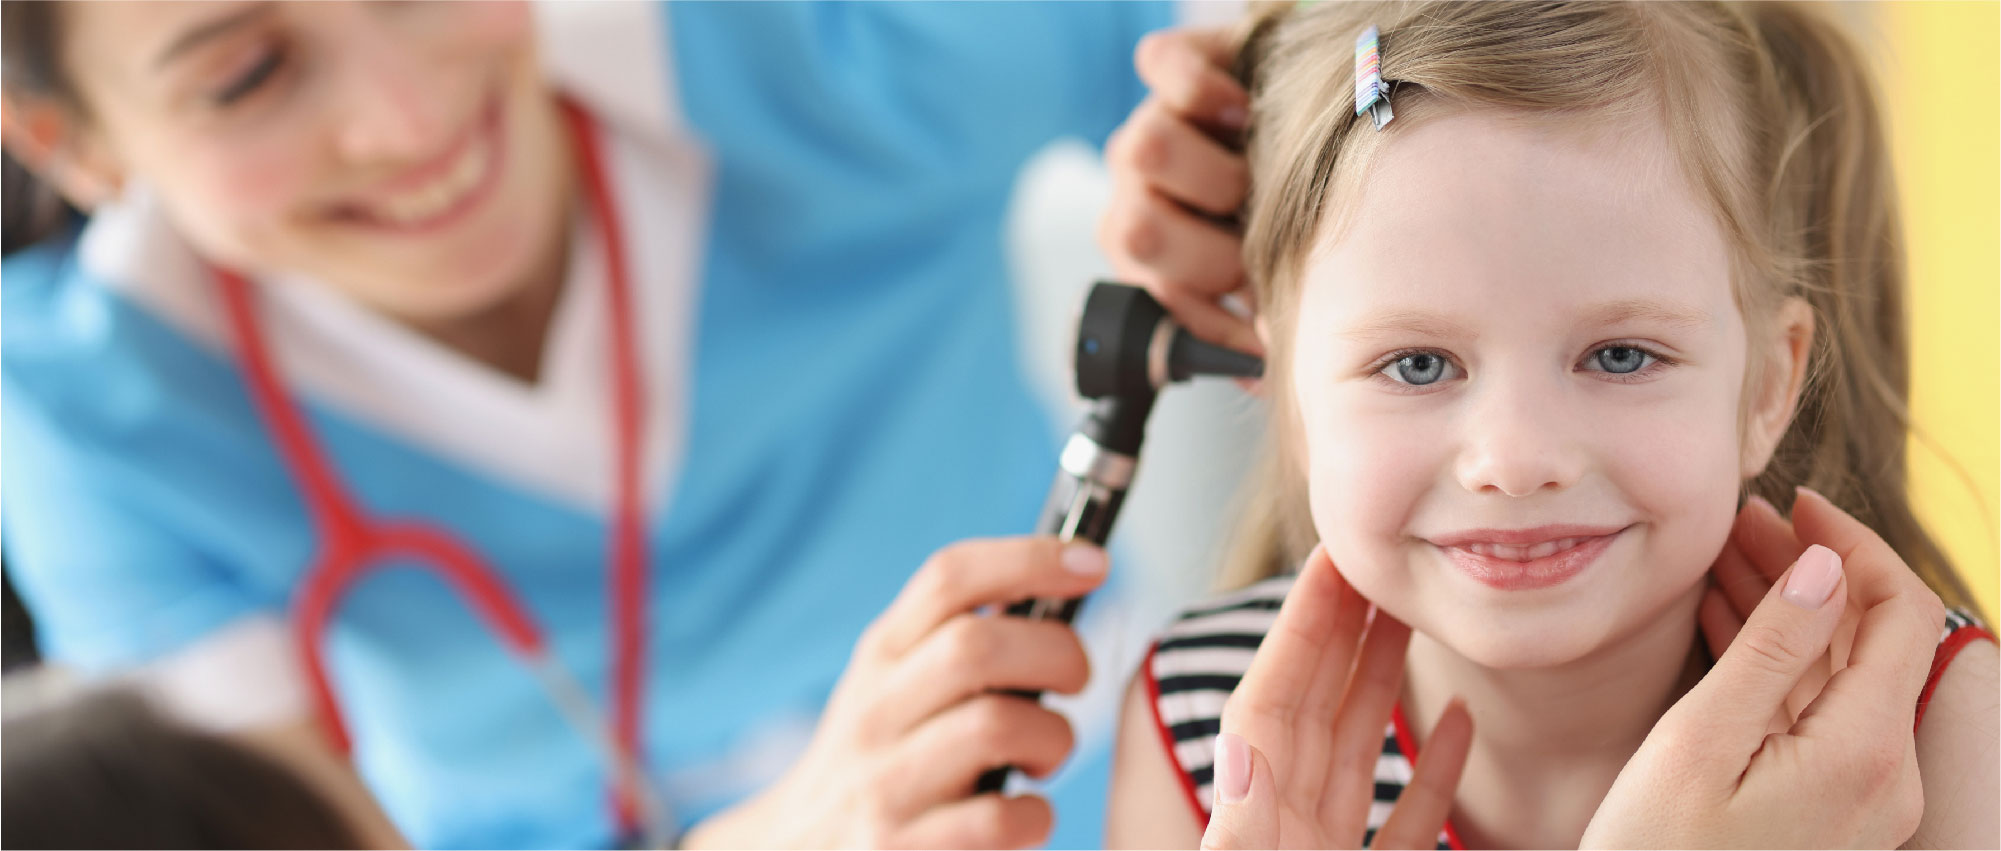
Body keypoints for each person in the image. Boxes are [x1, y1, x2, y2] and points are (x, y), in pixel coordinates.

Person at [0, 2, 1233, 847]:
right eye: (246, 76)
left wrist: (1258, 169)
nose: (409, 117)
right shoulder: (85, 416)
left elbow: (1314, 53)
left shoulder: (815, 42)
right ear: (75, 144)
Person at [1099, 2, 1999, 848]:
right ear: (1286, 392)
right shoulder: (1204, 733)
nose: (1515, 461)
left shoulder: (1924, 733)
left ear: (1767, 385)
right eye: (1417, 364)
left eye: (1619, 356)